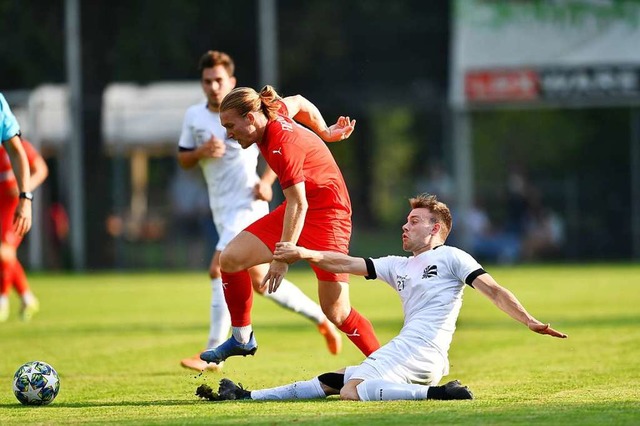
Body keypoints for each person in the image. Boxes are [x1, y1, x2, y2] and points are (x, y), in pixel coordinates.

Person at [198, 193, 567, 402]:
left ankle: (437, 395)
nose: (405, 226)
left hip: (422, 350)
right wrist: (306, 254)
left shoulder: (453, 257)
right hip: (409, 347)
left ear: (436, 228)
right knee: (334, 379)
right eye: (406, 220)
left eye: (414, 221)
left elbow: (494, 291)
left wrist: (529, 319)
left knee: (353, 392)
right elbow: (345, 261)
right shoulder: (397, 265)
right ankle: (247, 397)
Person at [177, 51, 346, 371]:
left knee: (220, 266)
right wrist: (202, 151)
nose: (213, 87)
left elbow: (282, 150)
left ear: (232, 82)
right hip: (221, 208)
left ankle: (212, 354)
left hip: (248, 204)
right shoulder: (194, 117)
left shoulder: (245, 114)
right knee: (257, 282)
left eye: (219, 81)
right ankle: (320, 318)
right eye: (207, 81)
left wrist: (268, 181)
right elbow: (183, 158)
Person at [199, 84, 380, 366]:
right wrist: (324, 131)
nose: (228, 133)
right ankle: (242, 338)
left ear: (250, 118)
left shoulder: (284, 144)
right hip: (299, 208)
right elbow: (299, 101)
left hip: (329, 215)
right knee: (231, 259)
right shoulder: (272, 110)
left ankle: (386, 364)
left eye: (231, 125)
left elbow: (300, 203)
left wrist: (282, 259)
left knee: (337, 312)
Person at [0, 137, 48, 321]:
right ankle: (27, 298)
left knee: (4, 252)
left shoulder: (17, 145)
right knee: (6, 255)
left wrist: (24, 190)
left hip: (14, 208)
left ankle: (2, 300)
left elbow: (41, 170)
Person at [0, 93, 34, 322]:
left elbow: (21, 154)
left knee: (5, 252)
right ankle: (25, 296)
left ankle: (6, 298)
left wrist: (25, 197)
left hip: (9, 207)